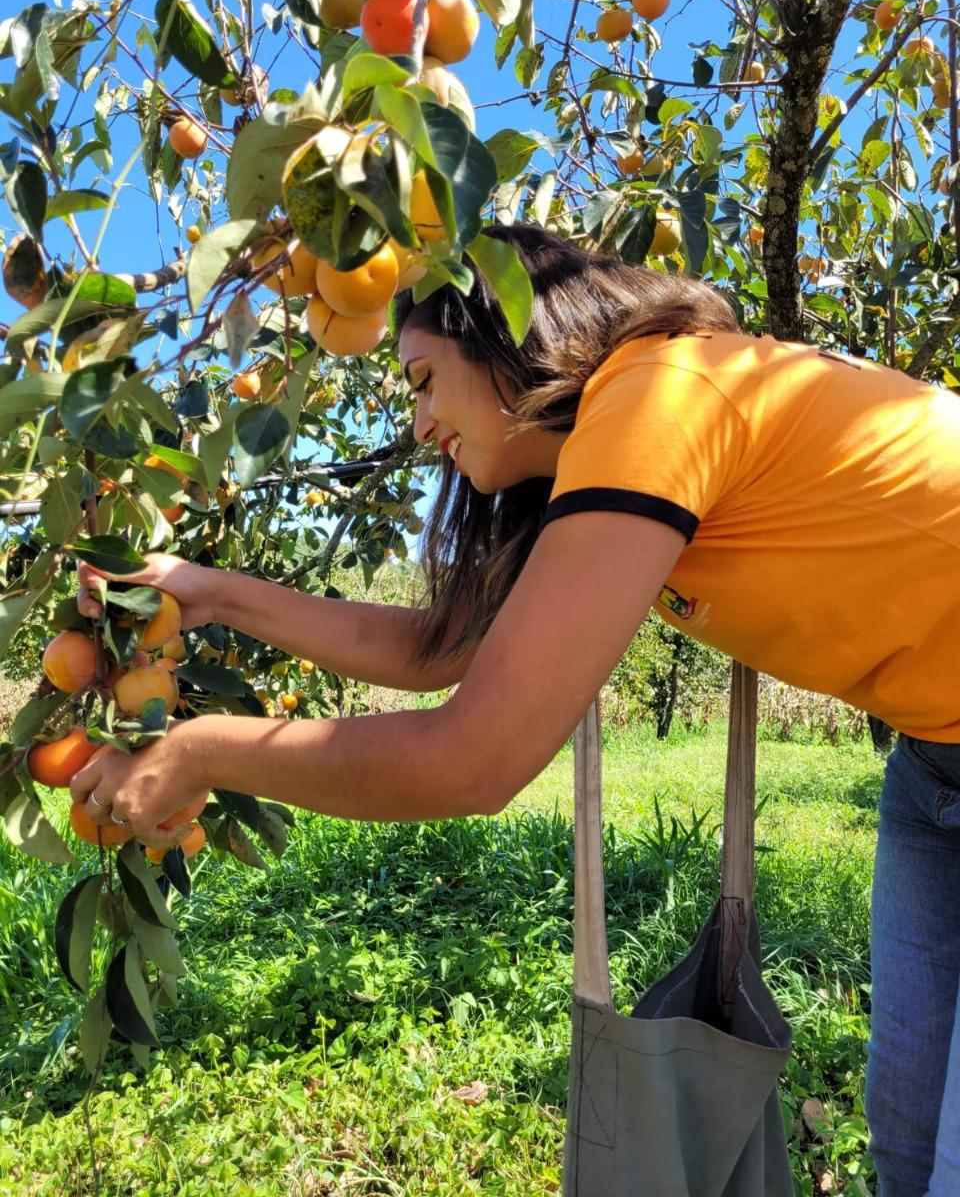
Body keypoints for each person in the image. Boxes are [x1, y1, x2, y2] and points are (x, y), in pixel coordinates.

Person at [72, 223, 960, 1196]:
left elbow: (476, 757)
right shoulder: (607, 450)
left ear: (501, 334)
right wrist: (219, 591)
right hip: (935, 762)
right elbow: (440, 652)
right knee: (908, 1144)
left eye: (420, 380)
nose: (418, 425)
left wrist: (202, 749)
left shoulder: (659, 394)